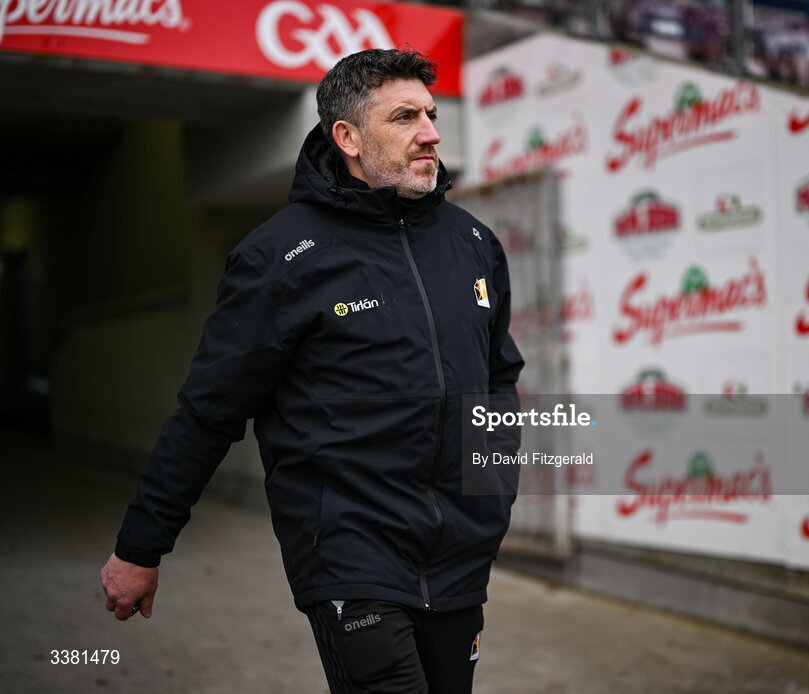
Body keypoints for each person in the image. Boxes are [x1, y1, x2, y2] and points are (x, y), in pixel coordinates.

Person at [99, 48, 524, 694]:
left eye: (431, 115)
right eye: (405, 116)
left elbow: (498, 380)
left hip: (460, 556)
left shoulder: (471, 244)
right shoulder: (280, 255)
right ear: (347, 137)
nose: (431, 132)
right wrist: (140, 547)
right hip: (350, 555)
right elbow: (210, 411)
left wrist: (491, 493)